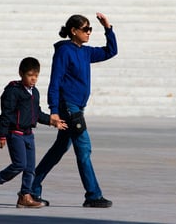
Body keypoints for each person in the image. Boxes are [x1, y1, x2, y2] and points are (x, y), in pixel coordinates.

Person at [31, 12, 118, 208]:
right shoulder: (64, 51)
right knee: (84, 149)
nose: (89, 33)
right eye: (86, 29)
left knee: (59, 149)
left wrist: (107, 28)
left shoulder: (85, 52)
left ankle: (30, 188)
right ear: (74, 31)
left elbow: (111, 51)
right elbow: (55, 81)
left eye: (90, 29)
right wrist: (53, 110)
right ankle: (93, 195)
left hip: (78, 107)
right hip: (68, 107)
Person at [0, 57, 67, 208]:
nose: (33, 79)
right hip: (15, 133)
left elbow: (37, 114)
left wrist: (52, 121)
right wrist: (2, 135)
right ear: (21, 73)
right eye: (30, 75)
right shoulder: (13, 91)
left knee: (30, 169)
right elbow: (6, 114)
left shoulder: (35, 92)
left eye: (36, 75)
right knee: (19, 164)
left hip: (29, 135)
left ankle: (24, 197)